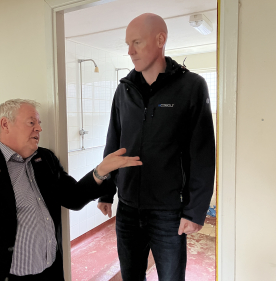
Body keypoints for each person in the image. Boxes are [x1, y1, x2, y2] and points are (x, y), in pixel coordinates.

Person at [0, 99, 142, 281]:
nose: (39, 128)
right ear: (5, 124)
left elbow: (73, 197)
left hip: (48, 273)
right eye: (32, 122)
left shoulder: (45, 159)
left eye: (39, 123)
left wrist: (101, 170)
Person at [97, 13, 215, 281]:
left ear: (160, 39)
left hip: (168, 212)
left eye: (136, 42)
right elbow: (113, 143)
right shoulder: (124, 90)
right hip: (127, 209)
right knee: (131, 276)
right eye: (128, 44)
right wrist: (106, 191)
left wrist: (195, 210)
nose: (129, 51)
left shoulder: (191, 86)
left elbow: (203, 154)